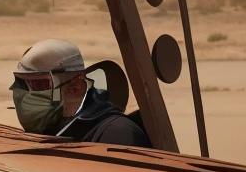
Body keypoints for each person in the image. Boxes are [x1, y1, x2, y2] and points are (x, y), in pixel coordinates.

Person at [11, 37, 151, 146]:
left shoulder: (117, 134)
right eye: (20, 84)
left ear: (75, 86)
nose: (24, 93)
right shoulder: (51, 128)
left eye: (39, 84)